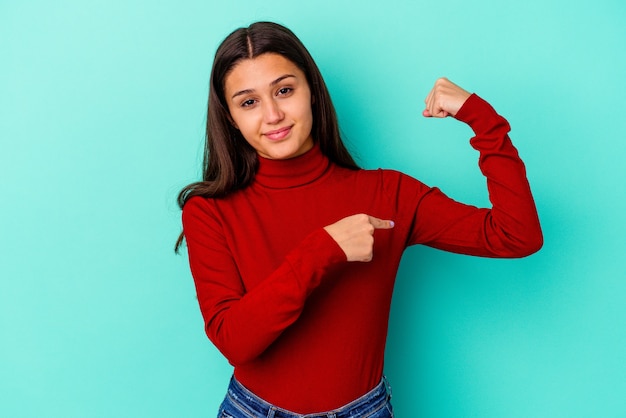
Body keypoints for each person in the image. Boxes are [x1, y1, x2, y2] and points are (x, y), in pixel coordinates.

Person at [176, 21, 542, 418]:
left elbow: (516, 235)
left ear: (312, 91)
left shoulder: (389, 195)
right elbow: (236, 342)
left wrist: (483, 121)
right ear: (230, 117)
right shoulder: (209, 210)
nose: (273, 114)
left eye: (284, 90)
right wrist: (322, 250)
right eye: (248, 102)